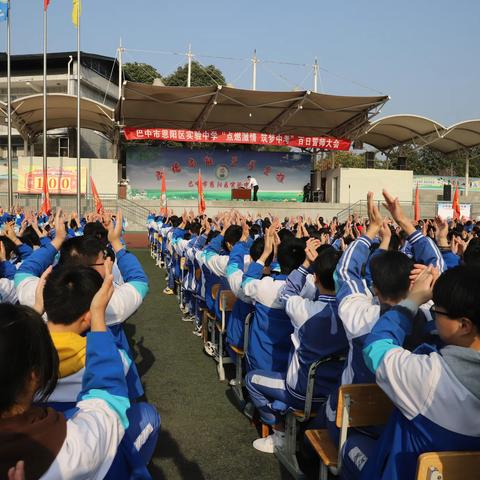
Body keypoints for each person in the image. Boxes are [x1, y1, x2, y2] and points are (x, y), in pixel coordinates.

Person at [0, 268, 159, 479]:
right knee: (143, 418)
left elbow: (24, 271)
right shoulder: (71, 451)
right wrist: (98, 317)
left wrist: (34, 315)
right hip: (95, 452)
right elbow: (107, 399)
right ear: (34, 376)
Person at [350, 265, 480, 480]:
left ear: (464, 325)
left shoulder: (429, 378)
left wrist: (411, 301)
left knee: (352, 445)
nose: (434, 316)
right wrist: (451, 293)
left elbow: (376, 349)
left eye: (437, 311)